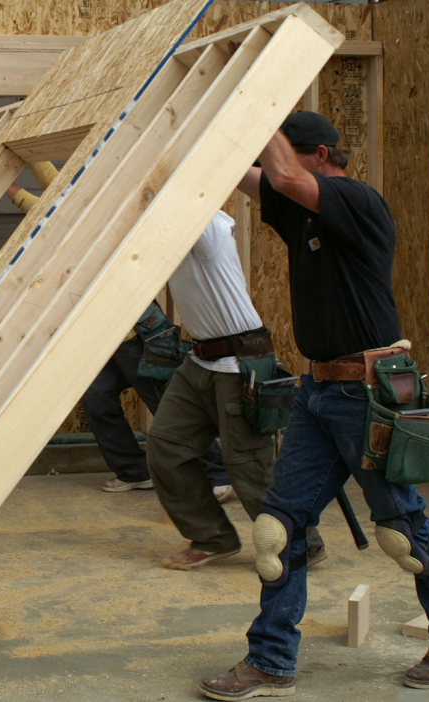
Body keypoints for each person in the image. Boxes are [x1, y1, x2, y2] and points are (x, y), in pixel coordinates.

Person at [198, 111, 429, 700]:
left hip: (368, 393)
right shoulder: (298, 206)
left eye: (291, 160)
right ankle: (271, 661)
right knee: (278, 530)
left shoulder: (356, 200)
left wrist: (258, 101)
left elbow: (280, 173)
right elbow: (256, 177)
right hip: (320, 392)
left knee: (402, 530)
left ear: (321, 155)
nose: (276, 173)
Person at [8, 172, 230, 496]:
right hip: (104, 338)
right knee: (97, 397)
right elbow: (35, 197)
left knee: (166, 403)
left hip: (134, 336)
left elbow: (48, 182)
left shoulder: (94, 219)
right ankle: (133, 470)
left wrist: (14, 176)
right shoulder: (62, 221)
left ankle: (218, 473)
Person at [147, 211, 324, 571]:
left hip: (238, 362)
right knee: (165, 446)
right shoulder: (163, 229)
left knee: (249, 465)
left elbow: (176, 195)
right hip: (199, 359)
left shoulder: (205, 224)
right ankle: (213, 537)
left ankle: (300, 543)